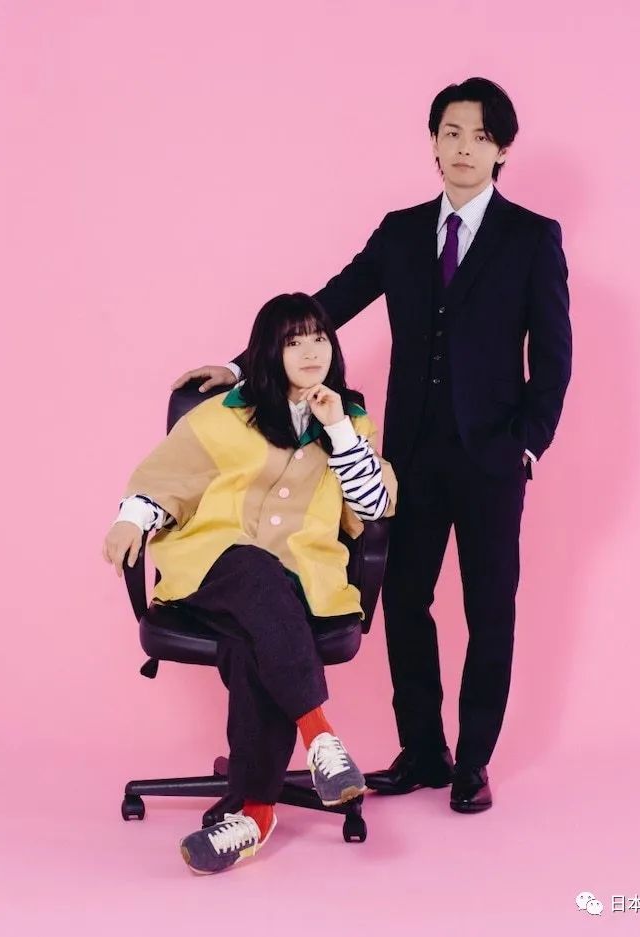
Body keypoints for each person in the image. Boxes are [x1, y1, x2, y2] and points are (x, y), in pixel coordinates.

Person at [172, 77, 572, 814]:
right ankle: (422, 750)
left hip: (490, 458)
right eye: (451, 133)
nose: (464, 148)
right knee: (404, 601)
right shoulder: (401, 231)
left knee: (490, 608)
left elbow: (553, 358)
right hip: (411, 455)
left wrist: (528, 445)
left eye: (481, 136)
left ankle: (473, 761)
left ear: (503, 151)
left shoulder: (531, 237)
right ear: (433, 144)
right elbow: (326, 306)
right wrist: (239, 365)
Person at [103, 292, 397, 873]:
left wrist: (338, 430)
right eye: (294, 341)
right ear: (270, 351)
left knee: (252, 642)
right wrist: (131, 519)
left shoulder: (350, 420)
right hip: (213, 569)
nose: (311, 351)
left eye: (319, 337)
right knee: (256, 572)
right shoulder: (222, 414)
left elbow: (371, 507)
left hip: (300, 584)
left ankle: (251, 815)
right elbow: (167, 479)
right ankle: (319, 736)